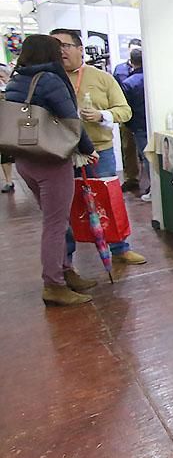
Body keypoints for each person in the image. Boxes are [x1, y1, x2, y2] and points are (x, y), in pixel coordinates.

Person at [4, 35, 99, 306]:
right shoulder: (50, 80)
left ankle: (66, 271)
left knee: (55, 220)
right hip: (52, 159)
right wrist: (88, 148)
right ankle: (54, 283)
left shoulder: (16, 79)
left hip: (25, 158)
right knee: (56, 225)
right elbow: (72, 120)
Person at [51, 28, 146, 271]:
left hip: (99, 152)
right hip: (61, 154)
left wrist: (102, 115)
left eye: (65, 45)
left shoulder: (101, 78)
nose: (60, 50)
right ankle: (66, 262)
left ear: (80, 49)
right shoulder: (49, 79)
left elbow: (124, 111)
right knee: (65, 208)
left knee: (108, 200)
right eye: (55, 46)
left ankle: (119, 249)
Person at [120, 47, 150, 201]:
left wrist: (129, 125)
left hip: (138, 125)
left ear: (131, 62)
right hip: (151, 123)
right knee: (151, 157)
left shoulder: (128, 83)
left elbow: (126, 108)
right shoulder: (153, 79)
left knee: (146, 157)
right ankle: (153, 187)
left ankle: (152, 188)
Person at [112, 38, 142, 191]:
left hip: (141, 115)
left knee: (144, 150)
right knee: (128, 148)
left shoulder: (146, 70)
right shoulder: (120, 70)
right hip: (127, 116)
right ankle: (132, 178)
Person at [0, 61, 15, 193]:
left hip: (16, 126)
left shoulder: (13, 87)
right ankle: (9, 181)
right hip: (4, 128)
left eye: (1, 76)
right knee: (5, 155)